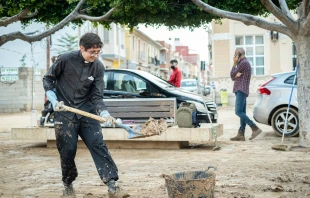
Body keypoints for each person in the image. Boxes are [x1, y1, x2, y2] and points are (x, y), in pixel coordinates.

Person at [43, 33, 129, 198]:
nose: (95, 56)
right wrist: (53, 99)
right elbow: (48, 79)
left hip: (87, 112)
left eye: (98, 52)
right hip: (65, 113)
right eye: (92, 52)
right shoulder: (65, 59)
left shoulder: (98, 67)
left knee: (98, 144)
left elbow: (97, 96)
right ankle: (68, 185)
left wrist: (104, 112)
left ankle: (112, 185)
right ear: (82, 48)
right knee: (67, 150)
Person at [230, 48, 262, 141]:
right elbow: (233, 76)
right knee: (242, 112)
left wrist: (234, 64)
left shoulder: (243, 63)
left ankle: (254, 128)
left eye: (235, 54)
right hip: (241, 90)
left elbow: (232, 75)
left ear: (239, 54)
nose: (234, 57)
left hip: (241, 90)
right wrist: (235, 74)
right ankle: (241, 134)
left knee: (238, 112)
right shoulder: (242, 63)